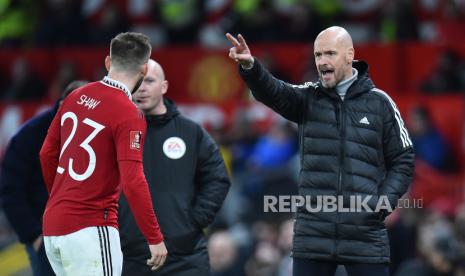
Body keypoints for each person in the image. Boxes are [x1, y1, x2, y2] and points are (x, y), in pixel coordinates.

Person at [226, 26, 415, 276]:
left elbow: (404, 158)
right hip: (313, 233)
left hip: (364, 232)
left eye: (329, 54)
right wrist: (251, 67)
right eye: (317, 55)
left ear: (349, 55)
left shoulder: (380, 103)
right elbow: (273, 91)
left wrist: (383, 203)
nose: (322, 61)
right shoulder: (307, 98)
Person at [39, 32, 167, 275]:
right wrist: (154, 237)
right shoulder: (129, 113)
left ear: (108, 62)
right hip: (90, 229)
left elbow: (46, 154)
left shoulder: (76, 95)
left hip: (54, 228)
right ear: (143, 70)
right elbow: (133, 180)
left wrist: (61, 202)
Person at [119, 59, 231, 276]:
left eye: (149, 81)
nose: (141, 88)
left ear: (164, 87)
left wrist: (192, 221)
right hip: (129, 257)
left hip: (184, 257)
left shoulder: (190, 132)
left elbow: (217, 178)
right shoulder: (114, 134)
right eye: (136, 81)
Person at [0, 80, 87, 276]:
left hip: (89, 237)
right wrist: (33, 235)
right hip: (46, 240)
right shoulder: (29, 136)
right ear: (63, 103)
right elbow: (11, 191)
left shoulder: (99, 132)